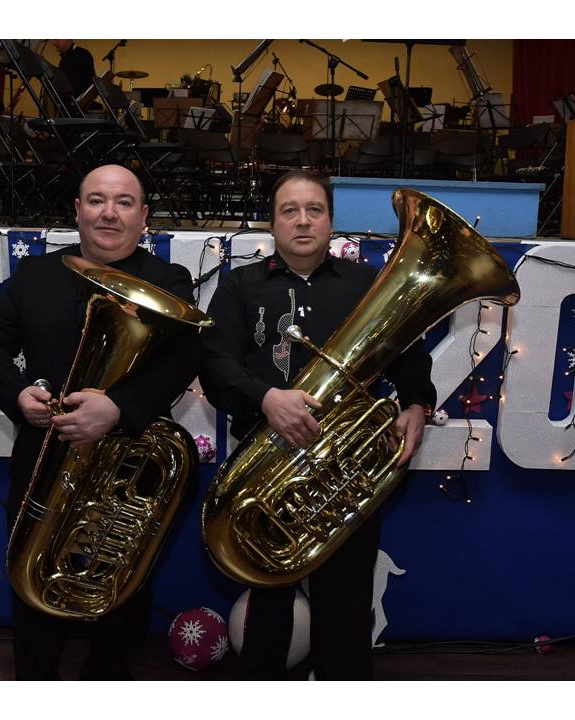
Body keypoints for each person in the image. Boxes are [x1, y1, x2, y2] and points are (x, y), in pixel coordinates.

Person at [199, 169, 437, 680]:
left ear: (330, 221)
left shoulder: (366, 285)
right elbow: (215, 364)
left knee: (347, 611)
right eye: (289, 211)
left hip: (346, 475)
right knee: (267, 612)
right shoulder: (239, 286)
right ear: (272, 223)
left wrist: (417, 404)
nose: (303, 221)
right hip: (264, 472)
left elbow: (408, 354)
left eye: (315, 210)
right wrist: (266, 399)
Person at [0, 164, 199, 680]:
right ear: (77, 210)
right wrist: (17, 394)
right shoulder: (37, 275)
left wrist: (118, 408)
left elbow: (185, 357)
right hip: (43, 456)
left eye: (123, 202)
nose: (108, 213)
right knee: (31, 587)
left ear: (144, 216)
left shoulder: (169, 280)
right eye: (96, 200)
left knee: (121, 596)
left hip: (129, 464)